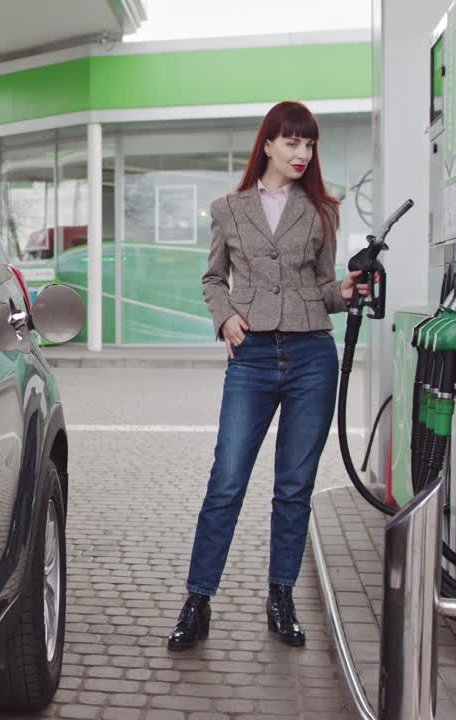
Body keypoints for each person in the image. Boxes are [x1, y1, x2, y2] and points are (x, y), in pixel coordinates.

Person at [167, 101, 372, 651]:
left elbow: (324, 288)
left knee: (293, 488)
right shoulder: (229, 209)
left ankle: (280, 597)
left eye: (309, 144)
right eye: (292, 142)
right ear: (268, 145)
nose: (302, 153)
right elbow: (213, 279)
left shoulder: (323, 210)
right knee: (227, 480)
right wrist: (225, 315)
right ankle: (198, 599)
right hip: (252, 357)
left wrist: (345, 291)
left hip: (312, 358)